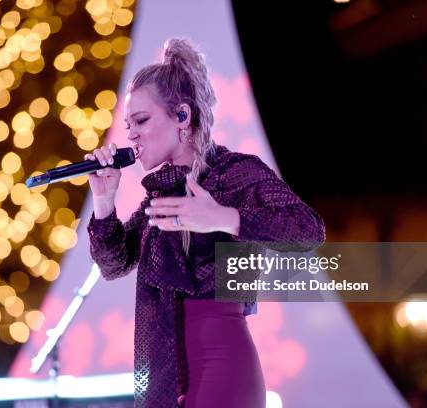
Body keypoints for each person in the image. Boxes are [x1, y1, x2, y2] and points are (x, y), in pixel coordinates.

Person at [86, 38, 325, 408]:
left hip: (223, 365)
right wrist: (104, 203)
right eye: (128, 123)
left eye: (142, 120)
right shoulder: (160, 194)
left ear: (182, 116)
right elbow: (114, 264)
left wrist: (223, 218)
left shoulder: (233, 173)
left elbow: (308, 231)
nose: (130, 134)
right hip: (166, 373)